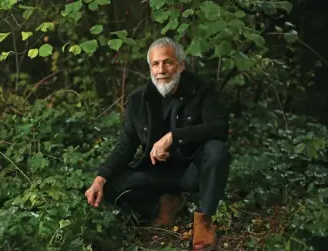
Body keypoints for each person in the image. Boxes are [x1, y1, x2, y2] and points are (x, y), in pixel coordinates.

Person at [84, 37, 230, 251]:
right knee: (111, 188)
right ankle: (165, 203)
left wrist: (174, 136)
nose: (161, 69)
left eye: (167, 62)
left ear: (180, 65)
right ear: (150, 68)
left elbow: (219, 128)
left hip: (193, 171)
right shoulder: (138, 100)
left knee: (216, 150)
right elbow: (126, 145)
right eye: (155, 64)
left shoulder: (202, 89)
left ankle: (204, 220)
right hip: (157, 173)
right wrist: (100, 178)